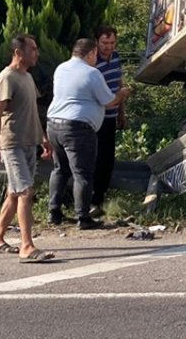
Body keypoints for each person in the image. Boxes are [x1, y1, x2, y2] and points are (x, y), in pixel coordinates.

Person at [47, 38, 130, 230]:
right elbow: (108, 101)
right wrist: (122, 94)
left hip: (53, 125)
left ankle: (54, 212)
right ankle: (83, 217)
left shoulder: (61, 68)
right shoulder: (92, 73)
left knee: (60, 169)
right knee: (82, 174)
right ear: (91, 53)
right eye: (95, 55)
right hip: (77, 128)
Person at [0, 33, 55, 263]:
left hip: (29, 143)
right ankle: (27, 245)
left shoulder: (26, 77)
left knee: (14, 194)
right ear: (18, 53)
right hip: (12, 144)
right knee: (25, 191)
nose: (36, 53)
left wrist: (43, 138)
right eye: (33, 49)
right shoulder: (6, 78)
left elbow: (31, 111)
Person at [90, 25, 125, 219]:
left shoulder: (116, 57)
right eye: (105, 43)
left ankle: (100, 200)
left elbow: (119, 83)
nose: (108, 47)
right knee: (97, 159)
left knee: (108, 160)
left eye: (112, 43)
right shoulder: (94, 63)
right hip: (96, 118)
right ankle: (92, 201)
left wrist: (121, 112)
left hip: (111, 116)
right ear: (97, 42)